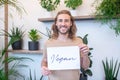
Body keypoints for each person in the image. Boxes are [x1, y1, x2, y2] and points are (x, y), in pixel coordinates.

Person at [41, 10, 90, 80]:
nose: (63, 24)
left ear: (71, 23)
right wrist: (43, 67)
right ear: (56, 23)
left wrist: (85, 55)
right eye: (60, 20)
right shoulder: (48, 43)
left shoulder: (79, 42)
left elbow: (85, 67)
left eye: (66, 21)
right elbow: (44, 61)